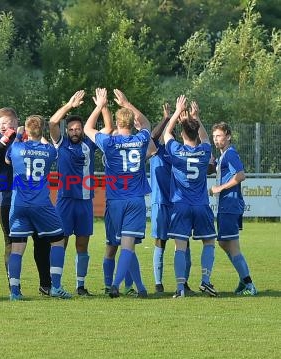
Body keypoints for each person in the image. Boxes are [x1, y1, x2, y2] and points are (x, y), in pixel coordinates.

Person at [84, 88, 151, 299]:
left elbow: (87, 128)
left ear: (117, 122)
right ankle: (138, 287)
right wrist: (127, 102)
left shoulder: (109, 142)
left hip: (115, 201)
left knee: (120, 246)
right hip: (135, 199)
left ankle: (115, 285)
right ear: (132, 123)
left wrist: (99, 106)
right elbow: (147, 124)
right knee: (128, 247)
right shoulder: (141, 140)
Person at [49, 90, 113, 296]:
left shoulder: (89, 143)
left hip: (85, 201)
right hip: (65, 200)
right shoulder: (61, 143)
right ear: (67, 131)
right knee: (61, 241)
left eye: (78, 128)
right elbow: (52, 123)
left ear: (82, 130)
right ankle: (55, 284)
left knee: (82, 244)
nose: (75, 132)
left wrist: (102, 106)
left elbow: (109, 128)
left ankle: (80, 285)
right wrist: (69, 105)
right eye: (71, 129)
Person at [0, 107, 53, 296]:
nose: (2, 127)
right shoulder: (1, 142)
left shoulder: (29, 140)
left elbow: (48, 150)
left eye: (6, 123)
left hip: (35, 200)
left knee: (42, 241)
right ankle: (14, 288)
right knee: (13, 243)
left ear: (16, 122)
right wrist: (11, 136)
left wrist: (27, 133)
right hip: (7, 199)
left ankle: (45, 284)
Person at [5, 115, 72, 300]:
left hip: (18, 204)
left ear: (26, 130)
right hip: (41, 203)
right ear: (42, 131)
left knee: (17, 247)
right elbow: (48, 150)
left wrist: (19, 136)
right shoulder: (49, 150)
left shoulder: (16, 147)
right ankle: (56, 286)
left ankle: (15, 292)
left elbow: (8, 161)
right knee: (58, 240)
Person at [164, 97, 217, 298]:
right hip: (201, 204)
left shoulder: (177, 150)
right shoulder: (204, 151)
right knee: (209, 243)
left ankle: (180, 288)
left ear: (183, 133)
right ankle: (205, 281)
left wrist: (177, 111)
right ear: (195, 132)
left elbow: (167, 133)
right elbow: (205, 139)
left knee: (180, 247)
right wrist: (196, 117)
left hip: (180, 205)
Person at [148, 103, 193, 294]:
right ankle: (158, 284)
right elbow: (152, 136)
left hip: (179, 201)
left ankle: (184, 282)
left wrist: (188, 121)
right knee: (161, 241)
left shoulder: (180, 148)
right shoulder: (157, 146)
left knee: (184, 243)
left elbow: (194, 138)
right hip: (161, 201)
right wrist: (167, 117)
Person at [209, 122, 257, 295]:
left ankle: (249, 285)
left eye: (219, 136)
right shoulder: (223, 156)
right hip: (226, 206)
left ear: (228, 136)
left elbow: (241, 175)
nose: (216, 140)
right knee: (223, 243)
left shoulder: (230, 154)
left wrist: (219, 188)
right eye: (214, 136)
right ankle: (243, 279)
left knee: (233, 246)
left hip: (230, 205)